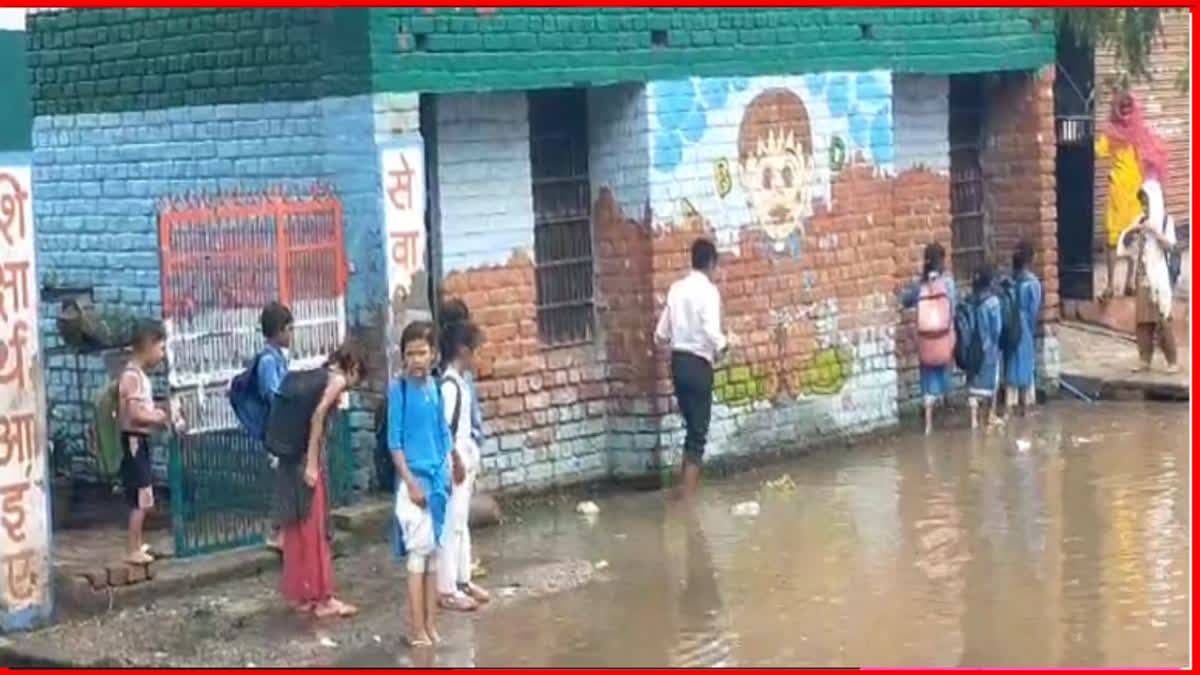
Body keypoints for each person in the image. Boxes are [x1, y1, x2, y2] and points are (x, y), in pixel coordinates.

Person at [268, 340, 365, 619]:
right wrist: (312, 463)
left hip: (291, 458)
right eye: (357, 378)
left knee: (297, 528)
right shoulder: (335, 381)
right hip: (305, 461)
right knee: (315, 528)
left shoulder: (316, 374)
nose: (353, 385)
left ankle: (303, 594)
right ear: (354, 368)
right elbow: (318, 416)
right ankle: (323, 598)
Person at [388, 321, 452, 647]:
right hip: (412, 485)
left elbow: (443, 434)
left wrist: (450, 464)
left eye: (421, 352)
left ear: (434, 355)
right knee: (417, 557)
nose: (416, 359)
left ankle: (430, 624)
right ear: (403, 357)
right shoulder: (398, 391)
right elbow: (394, 443)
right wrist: (411, 483)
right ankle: (416, 630)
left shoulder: (436, 389)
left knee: (433, 559)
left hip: (437, 483)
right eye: (410, 353)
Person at [654, 238, 729, 501]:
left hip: (678, 363)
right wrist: (724, 344)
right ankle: (687, 500)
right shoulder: (709, 292)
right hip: (698, 365)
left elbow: (661, 333)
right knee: (699, 433)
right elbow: (710, 330)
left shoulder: (677, 289)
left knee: (691, 427)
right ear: (711, 263)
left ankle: (681, 490)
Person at [437, 319, 491, 611]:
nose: (477, 356)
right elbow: (444, 429)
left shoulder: (459, 382)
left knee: (461, 523)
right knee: (451, 525)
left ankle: (463, 579)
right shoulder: (449, 386)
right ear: (461, 351)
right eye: (475, 350)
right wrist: (455, 462)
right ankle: (447, 589)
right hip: (454, 461)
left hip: (464, 458)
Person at [1095, 91, 1168, 301]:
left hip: (1136, 193)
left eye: (1129, 108)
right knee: (1112, 240)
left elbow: (1151, 155)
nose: (1126, 113)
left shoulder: (1139, 132)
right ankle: (1111, 285)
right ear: (1117, 111)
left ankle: (1128, 283)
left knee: (1134, 239)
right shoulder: (1111, 134)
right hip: (1119, 193)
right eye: (1122, 109)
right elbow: (1099, 151)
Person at [117, 320, 177, 565]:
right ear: (148, 345)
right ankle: (132, 549)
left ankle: (138, 542)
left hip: (140, 440)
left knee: (143, 494)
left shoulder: (138, 375)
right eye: (161, 348)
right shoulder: (132, 376)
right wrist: (159, 416)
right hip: (134, 440)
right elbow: (134, 414)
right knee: (141, 496)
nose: (162, 355)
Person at [1121, 186, 1179, 373]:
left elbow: (1170, 246)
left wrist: (1154, 232)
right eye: (1142, 204)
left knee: (1162, 319)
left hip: (1159, 277)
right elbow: (1126, 246)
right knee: (1143, 321)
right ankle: (1144, 359)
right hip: (1142, 276)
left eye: (1147, 204)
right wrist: (1132, 232)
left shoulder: (1165, 221)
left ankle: (1172, 362)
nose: (1144, 208)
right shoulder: (1139, 220)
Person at [900, 243, 957, 435]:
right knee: (945, 376)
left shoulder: (920, 285)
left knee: (927, 380)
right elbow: (953, 310)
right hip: (944, 340)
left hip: (925, 342)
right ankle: (946, 415)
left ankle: (928, 425)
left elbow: (905, 300)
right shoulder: (948, 283)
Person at [257, 302, 293, 550]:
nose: (291, 334)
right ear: (279, 331)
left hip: (283, 427)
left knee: (287, 480)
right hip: (276, 429)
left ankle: (283, 531)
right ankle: (277, 532)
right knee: (283, 481)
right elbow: (273, 394)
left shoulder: (278, 358)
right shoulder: (269, 361)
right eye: (289, 329)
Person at [1003, 241, 1043, 417]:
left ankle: (1010, 407)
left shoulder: (1007, 281)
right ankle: (1027, 407)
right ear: (1030, 260)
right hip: (1025, 327)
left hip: (1010, 327)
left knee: (1011, 364)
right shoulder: (1032, 283)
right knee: (1026, 366)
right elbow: (1034, 311)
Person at [966, 265, 1004, 430]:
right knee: (990, 383)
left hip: (973, 347)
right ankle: (990, 415)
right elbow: (997, 329)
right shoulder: (993, 302)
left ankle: (974, 420)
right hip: (989, 348)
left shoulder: (971, 301)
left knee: (975, 383)